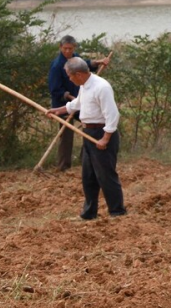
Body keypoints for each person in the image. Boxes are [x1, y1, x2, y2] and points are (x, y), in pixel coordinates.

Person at [47, 57, 125, 220]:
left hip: (101, 134)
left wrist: (105, 138)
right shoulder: (84, 86)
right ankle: (89, 214)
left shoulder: (101, 87)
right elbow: (78, 104)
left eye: (70, 76)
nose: (69, 79)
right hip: (88, 134)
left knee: (106, 175)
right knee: (88, 176)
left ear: (80, 74)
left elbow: (112, 115)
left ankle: (117, 212)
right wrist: (59, 110)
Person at [47, 35, 110, 171]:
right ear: (60, 47)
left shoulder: (76, 59)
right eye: (65, 49)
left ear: (74, 47)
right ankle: (63, 166)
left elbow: (86, 66)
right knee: (66, 135)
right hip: (63, 104)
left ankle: (86, 160)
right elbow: (55, 90)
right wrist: (73, 99)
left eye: (70, 48)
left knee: (90, 127)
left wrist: (99, 62)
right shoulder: (57, 65)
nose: (68, 51)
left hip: (80, 101)